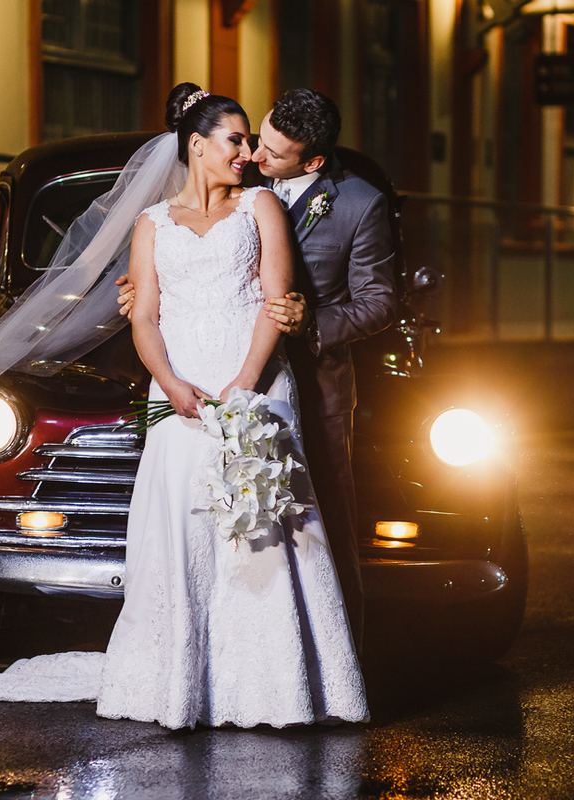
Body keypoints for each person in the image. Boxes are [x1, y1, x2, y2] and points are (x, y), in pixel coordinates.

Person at [0, 84, 367, 728]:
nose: (248, 151)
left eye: (251, 139)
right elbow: (143, 315)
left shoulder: (261, 207)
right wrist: (170, 383)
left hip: (250, 383)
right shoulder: (151, 224)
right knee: (181, 525)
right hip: (179, 387)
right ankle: (179, 676)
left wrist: (246, 386)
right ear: (197, 146)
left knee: (265, 527)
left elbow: (273, 301)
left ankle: (271, 685)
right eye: (236, 138)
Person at [117, 89, 397, 652]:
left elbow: (381, 302)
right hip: (198, 372)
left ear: (311, 162)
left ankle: (336, 660)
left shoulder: (356, 203)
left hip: (306, 383)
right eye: (251, 139)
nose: (255, 156)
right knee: (190, 523)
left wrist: (306, 322)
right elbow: (164, 286)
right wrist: (147, 293)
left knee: (317, 532)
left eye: (270, 150)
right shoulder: (221, 190)